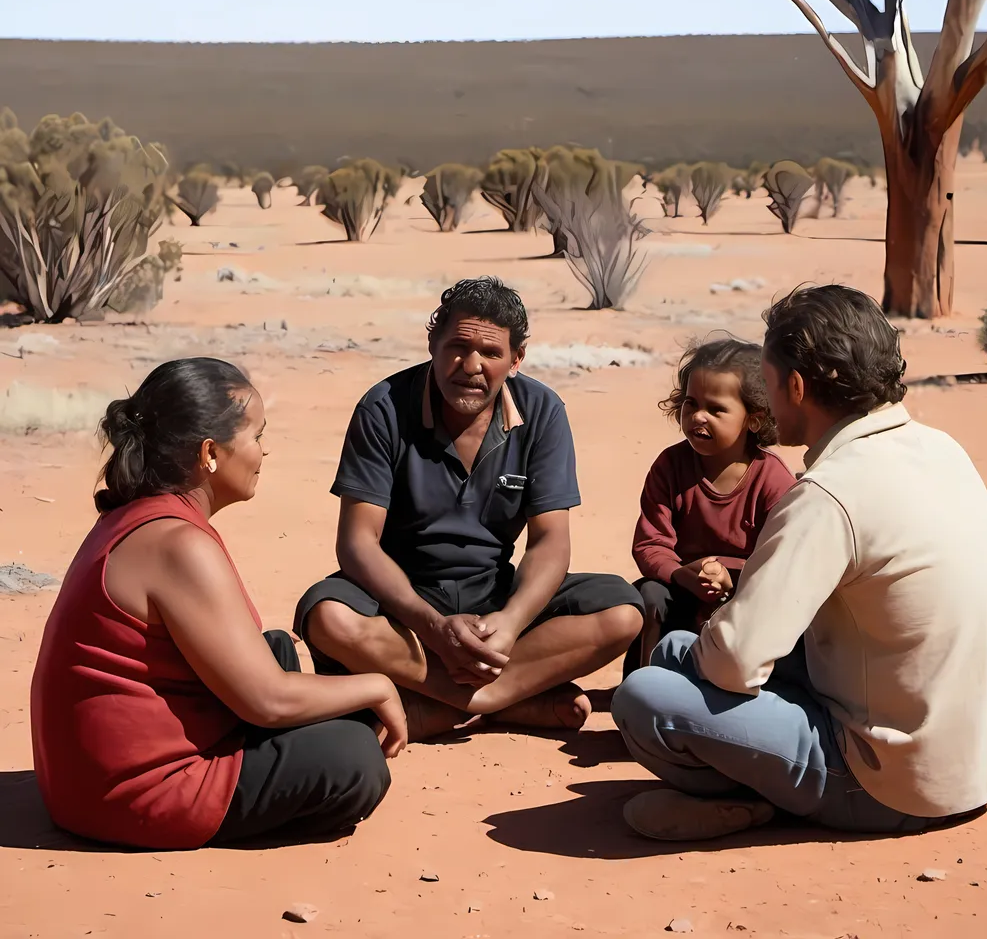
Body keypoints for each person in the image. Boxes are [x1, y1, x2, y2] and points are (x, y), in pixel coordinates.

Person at [612, 284, 987, 841]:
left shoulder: (829, 495)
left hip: (893, 784)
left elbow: (736, 661)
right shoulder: (941, 448)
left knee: (644, 698)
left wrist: (720, 649)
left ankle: (757, 803)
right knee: (672, 651)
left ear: (796, 386)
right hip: (976, 764)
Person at [31, 358, 402, 851]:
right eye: (256, 435)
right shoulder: (178, 545)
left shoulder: (135, 516)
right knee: (353, 756)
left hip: (85, 784)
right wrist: (378, 685)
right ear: (210, 453)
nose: (263, 451)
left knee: (275, 653)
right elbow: (267, 702)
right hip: (132, 795)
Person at [294, 276, 643, 740]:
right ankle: (502, 700)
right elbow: (358, 543)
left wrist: (511, 621)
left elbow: (550, 541)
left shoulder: (542, 412)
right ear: (433, 344)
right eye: (457, 347)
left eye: (492, 354)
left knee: (622, 612)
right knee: (329, 615)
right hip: (403, 604)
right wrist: (433, 626)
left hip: (493, 599)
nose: (471, 366)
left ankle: (455, 705)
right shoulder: (383, 408)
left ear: (516, 360)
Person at [626, 338, 795, 671]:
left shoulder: (772, 480)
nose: (698, 417)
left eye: (716, 409)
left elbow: (784, 562)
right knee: (647, 596)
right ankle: (644, 682)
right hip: (680, 590)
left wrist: (733, 577)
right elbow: (650, 544)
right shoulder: (670, 466)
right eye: (691, 403)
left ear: (754, 419)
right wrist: (681, 575)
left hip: (744, 597)